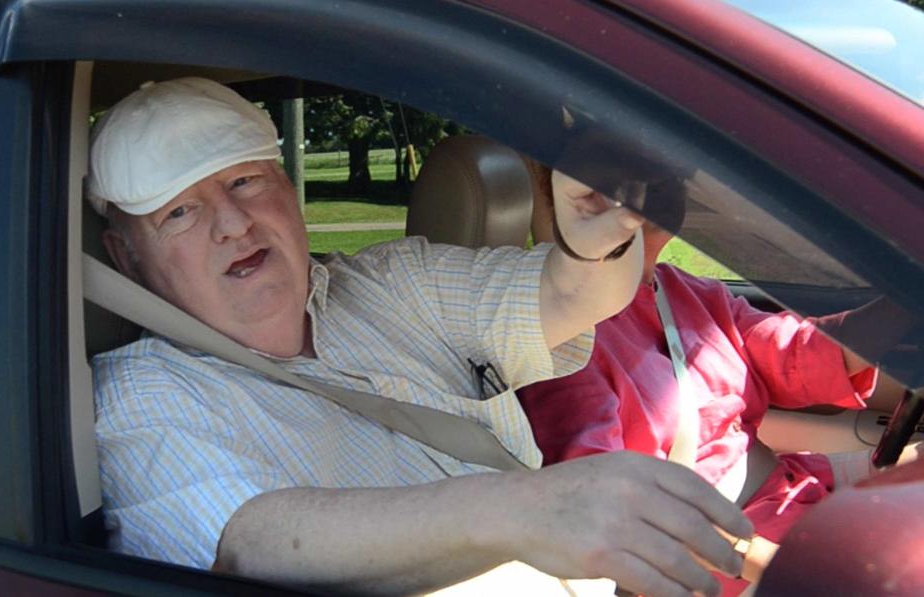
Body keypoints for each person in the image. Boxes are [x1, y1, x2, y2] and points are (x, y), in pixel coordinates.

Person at [87, 77, 752, 597]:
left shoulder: (393, 278)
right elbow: (246, 537)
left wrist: (587, 239)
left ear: (289, 190)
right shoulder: (139, 392)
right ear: (125, 256)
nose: (232, 221)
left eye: (245, 180)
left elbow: (568, 296)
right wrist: (519, 507)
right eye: (179, 212)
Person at [517, 162, 921, 595]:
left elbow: (796, 354)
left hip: (790, 495)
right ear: (572, 199)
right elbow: (614, 505)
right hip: (717, 563)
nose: (664, 187)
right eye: (635, 172)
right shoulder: (563, 339)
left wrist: (907, 298)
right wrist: (778, 562)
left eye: (672, 175)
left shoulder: (685, 290)